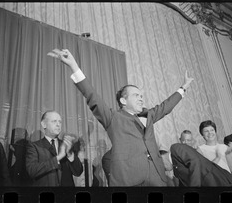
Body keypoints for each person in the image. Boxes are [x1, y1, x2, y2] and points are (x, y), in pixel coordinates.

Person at [48, 48, 194, 186]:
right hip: (129, 180)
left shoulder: (148, 115)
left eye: (142, 96)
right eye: (136, 95)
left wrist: (184, 87)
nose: (141, 99)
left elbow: (166, 106)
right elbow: (91, 95)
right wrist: (73, 65)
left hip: (157, 179)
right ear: (123, 101)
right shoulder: (112, 117)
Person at [170, 122, 232, 187]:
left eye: (212, 130)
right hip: (214, 183)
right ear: (202, 135)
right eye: (206, 131)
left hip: (228, 181)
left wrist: (228, 153)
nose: (210, 133)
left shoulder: (224, 147)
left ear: (215, 131)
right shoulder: (199, 150)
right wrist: (217, 158)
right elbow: (202, 170)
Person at [26, 110, 83, 186]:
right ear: (44, 124)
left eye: (60, 122)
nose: (58, 124)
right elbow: (32, 171)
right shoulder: (34, 146)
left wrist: (70, 154)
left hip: (66, 195)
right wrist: (58, 158)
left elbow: (78, 172)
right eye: (54, 121)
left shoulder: (66, 145)